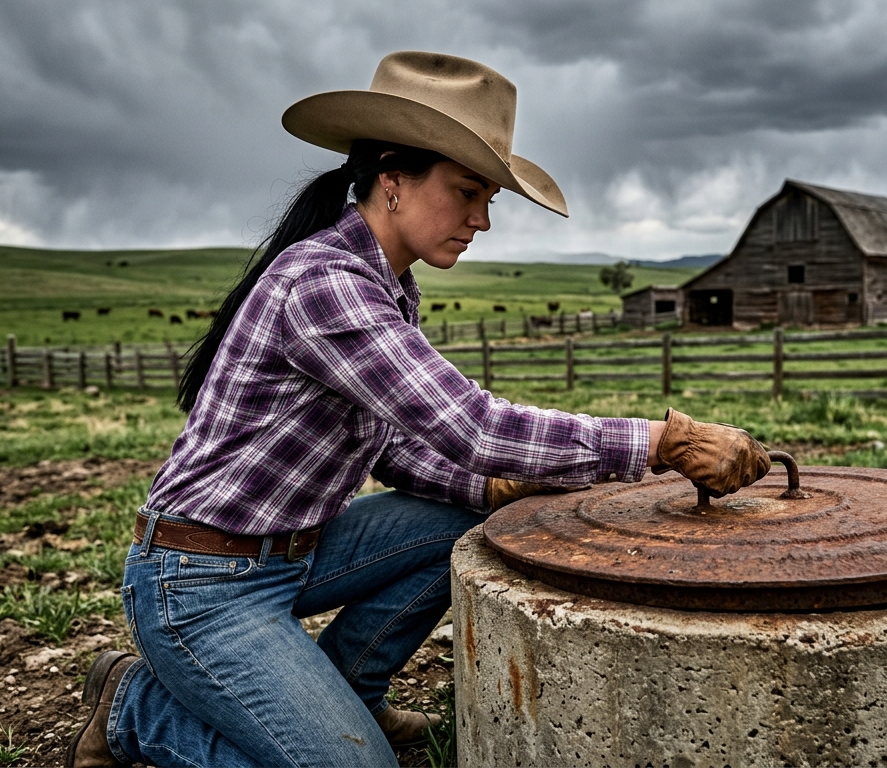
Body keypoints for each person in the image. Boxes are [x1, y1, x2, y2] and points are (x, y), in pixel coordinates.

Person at [64, 51, 771, 768]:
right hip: (199, 581)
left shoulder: (388, 286)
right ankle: (130, 708)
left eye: (488, 199)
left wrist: (491, 487)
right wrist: (665, 440)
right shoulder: (326, 285)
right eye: (468, 192)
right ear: (393, 179)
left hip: (293, 547)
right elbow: (473, 426)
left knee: (471, 517)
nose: (482, 220)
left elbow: (396, 444)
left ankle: (348, 689)